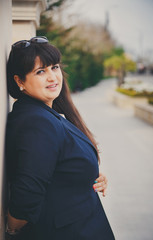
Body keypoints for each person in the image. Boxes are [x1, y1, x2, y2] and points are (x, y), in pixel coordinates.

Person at [5, 36, 115, 240]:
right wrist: (12, 231)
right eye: (40, 71)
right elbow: (26, 195)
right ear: (19, 81)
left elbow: (55, 169)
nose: (52, 77)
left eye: (54, 67)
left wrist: (88, 177)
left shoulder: (45, 113)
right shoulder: (36, 122)